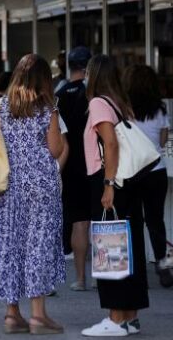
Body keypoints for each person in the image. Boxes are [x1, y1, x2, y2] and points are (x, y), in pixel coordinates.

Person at [0, 54, 66, 335]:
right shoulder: (48, 108)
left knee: (10, 245)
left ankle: (12, 314)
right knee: (38, 246)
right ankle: (38, 315)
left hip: (9, 188)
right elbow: (55, 150)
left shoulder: (0, 107)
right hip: (40, 187)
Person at [81, 55, 148, 337]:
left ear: (95, 75)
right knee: (129, 245)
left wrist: (108, 184)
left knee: (109, 245)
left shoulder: (98, 103)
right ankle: (130, 316)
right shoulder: (120, 103)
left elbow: (109, 142)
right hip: (128, 181)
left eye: (87, 72)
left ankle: (115, 317)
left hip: (110, 180)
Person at [122, 64, 173, 289]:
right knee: (155, 220)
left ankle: (137, 270)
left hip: (132, 172)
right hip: (156, 171)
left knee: (133, 221)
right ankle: (162, 266)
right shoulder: (160, 109)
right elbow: (163, 142)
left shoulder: (124, 108)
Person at [56, 46, 93, 292]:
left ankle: (80, 278)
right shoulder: (95, 94)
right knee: (101, 221)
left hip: (70, 165)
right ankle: (105, 274)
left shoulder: (59, 94)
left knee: (78, 222)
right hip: (96, 164)